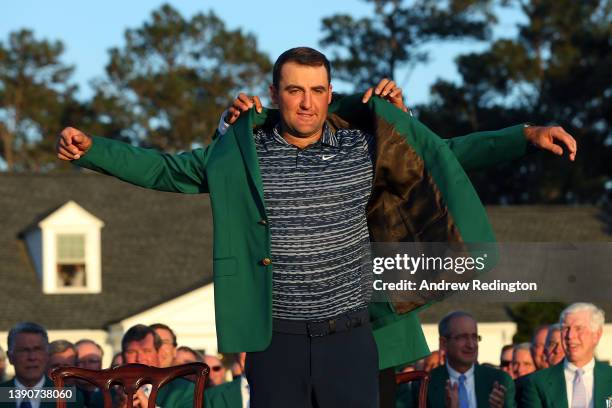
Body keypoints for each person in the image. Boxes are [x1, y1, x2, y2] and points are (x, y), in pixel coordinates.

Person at [56, 47, 577, 407]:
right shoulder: (243, 154)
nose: (306, 102)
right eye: (294, 90)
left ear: (330, 94)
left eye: (317, 90)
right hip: (275, 338)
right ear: (273, 93)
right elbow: (167, 169)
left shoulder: (363, 146)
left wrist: (525, 134)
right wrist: (94, 151)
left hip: (350, 335)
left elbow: (448, 156)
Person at [521, 303, 612, 407]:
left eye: (578, 328)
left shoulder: (609, 377)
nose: (570, 335)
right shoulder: (538, 382)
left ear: (596, 335)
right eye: (566, 328)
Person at [426, 311, 515, 408]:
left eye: (474, 337)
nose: (471, 345)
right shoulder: (426, 384)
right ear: (443, 343)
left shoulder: (500, 381)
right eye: (463, 337)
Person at [0, 323, 83, 408]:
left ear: (47, 355)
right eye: (24, 350)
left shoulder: (70, 398)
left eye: (37, 349)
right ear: (10, 357)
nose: (32, 357)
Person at [118, 325, 194, 408]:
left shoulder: (185, 389)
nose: (139, 358)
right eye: (132, 352)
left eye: (146, 351)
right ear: (122, 356)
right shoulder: (109, 390)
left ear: (158, 354)